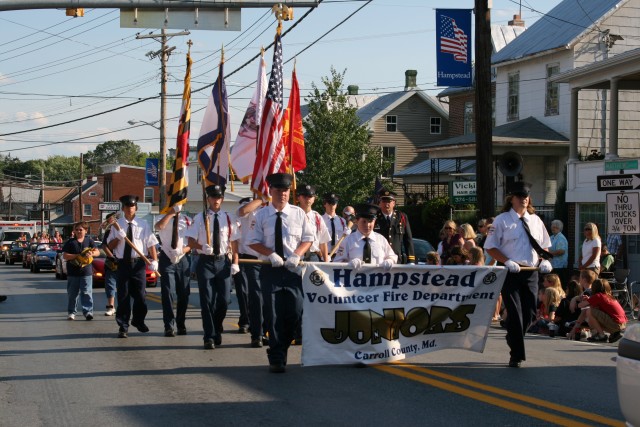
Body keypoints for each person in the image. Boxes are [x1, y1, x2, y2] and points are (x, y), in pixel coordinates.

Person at [247, 173, 314, 373]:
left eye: (286, 190)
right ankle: (276, 355)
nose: (283, 194)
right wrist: (270, 254)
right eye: (279, 190)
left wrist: (296, 254)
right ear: (271, 191)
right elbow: (252, 241)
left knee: (295, 312)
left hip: (293, 271)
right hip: (271, 270)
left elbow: (308, 238)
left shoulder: (298, 213)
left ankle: (282, 346)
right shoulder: (260, 215)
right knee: (273, 314)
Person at [485, 182, 553, 368]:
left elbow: (544, 245)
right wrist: (506, 261)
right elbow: (490, 247)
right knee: (515, 313)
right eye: (519, 197)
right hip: (511, 272)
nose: (524, 199)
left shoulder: (536, 221)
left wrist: (545, 260)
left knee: (530, 313)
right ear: (512, 199)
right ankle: (516, 355)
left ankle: (512, 337)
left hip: (531, 272)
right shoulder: (502, 220)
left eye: (526, 197)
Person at [186, 184, 236, 350]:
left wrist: (235, 261)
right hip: (206, 262)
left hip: (223, 262)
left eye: (219, 197)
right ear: (208, 199)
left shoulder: (228, 218)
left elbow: (234, 241)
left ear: (222, 199)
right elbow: (190, 241)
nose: (216, 200)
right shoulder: (200, 218)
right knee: (207, 301)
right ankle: (209, 336)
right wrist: (201, 247)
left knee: (224, 300)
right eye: (213, 197)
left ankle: (217, 326)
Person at [107, 195, 159, 338]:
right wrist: (118, 236)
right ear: (123, 208)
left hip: (138, 263)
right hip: (123, 264)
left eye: (132, 206)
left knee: (141, 296)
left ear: (136, 207)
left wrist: (154, 260)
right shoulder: (117, 225)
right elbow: (109, 246)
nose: (130, 209)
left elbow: (150, 244)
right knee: (123, 296)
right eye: (127, 206)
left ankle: (138, 320)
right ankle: (123, 326)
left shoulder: (143, 224)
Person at [233, 197, 269, 348]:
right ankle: (257, 334)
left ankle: (267, 331)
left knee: (268, 298)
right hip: (251, 258)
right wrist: (261, 199)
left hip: (268, 258)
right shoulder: (250, 207)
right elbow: (242, 211)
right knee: (255, 297)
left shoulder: (271, 209)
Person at [154, 204, 192, 337]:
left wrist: (182, 250)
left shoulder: (187, 220)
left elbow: (192, 241)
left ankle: (181, 323)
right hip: (166, 257)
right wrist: (171, 213)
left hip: (183, 258)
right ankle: (169, 326)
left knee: (184, 293)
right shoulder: (162, 217)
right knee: (168, 292)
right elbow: (158, 227)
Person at [334, 203, 397, 268]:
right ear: (357, 221)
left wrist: (390, 260)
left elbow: (392, 256)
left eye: (370, 221)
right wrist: (348, 264)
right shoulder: (347, 241)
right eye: (363, 221)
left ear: (374, 221)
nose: (367, 225)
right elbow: (336, 263)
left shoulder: (381, 240)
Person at [63, 221, 100, 321]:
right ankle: (71, 312)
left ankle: (88, 312)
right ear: (74, 231)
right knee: (72, 294)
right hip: (73, 272)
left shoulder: (89, 241)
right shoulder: (70, 242)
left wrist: (91, 253)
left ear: (85, 231)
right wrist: (77, 256)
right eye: (77, 230)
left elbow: (98, 252)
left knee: (87, 292)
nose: (79, 231)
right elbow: (65, 255)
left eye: (81, 230)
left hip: (86, 272)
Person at [374, 189, 415, 264]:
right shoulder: (374, 218)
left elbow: (408, 239)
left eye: (389, 201)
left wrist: (411, 260)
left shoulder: (402, 217)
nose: (386, 204)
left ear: (394, 203)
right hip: (379, 260)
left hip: (397, 260)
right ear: (379, 203)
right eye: (384, 201)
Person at [580, 278, 627, 343]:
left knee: (589, 311)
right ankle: (612, 333)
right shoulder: (609, 296)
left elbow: (581, 305)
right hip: (622, 324)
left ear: (594, 288)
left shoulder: (598, 296)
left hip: (616, 324)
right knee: (593, 311)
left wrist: (576, 299)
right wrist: (590, 300)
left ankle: (601, 335)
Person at [296, 185, 330, 262]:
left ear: (314, 199)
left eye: (310, 196)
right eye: (304, 196)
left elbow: (323, 241)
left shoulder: (317, 217)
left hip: (313, 256)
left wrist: (326, 261)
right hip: (296, 255)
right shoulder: (292, 215)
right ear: (298, 198)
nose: (308, 199)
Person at [322, 192, 351, 257]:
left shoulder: (342, 221)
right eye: (329, 203)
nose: (332, 206)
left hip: (339, 255)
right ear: (325, 204)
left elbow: (345, 240)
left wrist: (348, 235)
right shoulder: (320, 220)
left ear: (336, 205)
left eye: (334, 203)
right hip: (324, 254)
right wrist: (322, 256)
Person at [100, 213, 118, 316]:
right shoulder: (109, 230)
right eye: (110, 220)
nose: (112, 221)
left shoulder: (123, 228)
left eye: (113, 219)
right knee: (110, 284)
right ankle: (111, 307)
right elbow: (104, 246)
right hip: (112, 262)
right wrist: (112, 257)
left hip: (124, 260)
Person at [548, 219, 569, 288]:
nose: (553, 228)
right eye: (552, 227)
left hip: (559, 266)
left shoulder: (561, 238)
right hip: (552, 265)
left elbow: (561, 251)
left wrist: (550, 253)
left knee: (558, 285)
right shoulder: (551, 237)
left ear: (559, 228)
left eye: (556, 227)